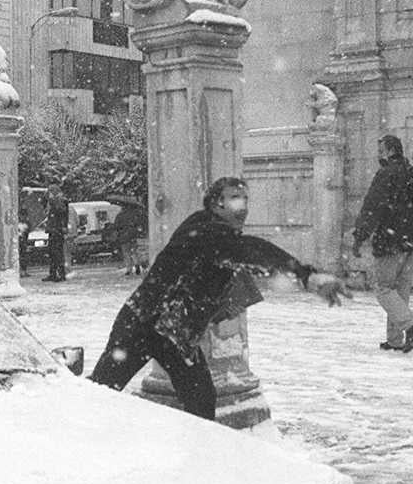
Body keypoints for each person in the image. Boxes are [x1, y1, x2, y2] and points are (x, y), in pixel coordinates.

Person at [89, 177, 349, 420]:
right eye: (235, 199)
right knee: (99, 393)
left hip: (173, 333)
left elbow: (232, 261)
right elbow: (249, 250)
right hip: (143, 325)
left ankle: (195, 460)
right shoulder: (207, 232)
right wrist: (304, 275)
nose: (243, 207)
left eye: (245, 199)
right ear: (216, 204)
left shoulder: (210, 232)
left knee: (201, 401)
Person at [353, 134, 413, 353]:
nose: (378, 153)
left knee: (383, 288)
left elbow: (372, 207)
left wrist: (360, 235)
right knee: (400, 291)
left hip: (390, 241)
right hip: (410, 243)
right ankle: (394, 339)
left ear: (391, 150)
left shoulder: (385, 174)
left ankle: (410, 325)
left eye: (381, 149)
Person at [42, 184, 69, 282]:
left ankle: (60, 274)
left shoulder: (61, 201)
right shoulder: (52, 202)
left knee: (57, 253)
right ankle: (53, 273)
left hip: (57, 230)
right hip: (53, 230)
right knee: (52, 253)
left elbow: (61, 212)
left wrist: (53, 201)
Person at [112, 201, 146, 275]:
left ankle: (129, 269)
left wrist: (117, 235)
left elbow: (116, 227)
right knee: (134, 252)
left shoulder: (119, 216)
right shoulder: (133, 215)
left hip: (124, 237)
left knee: (126, 253)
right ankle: (137, 264)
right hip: (132, 236)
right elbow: (139, 225)